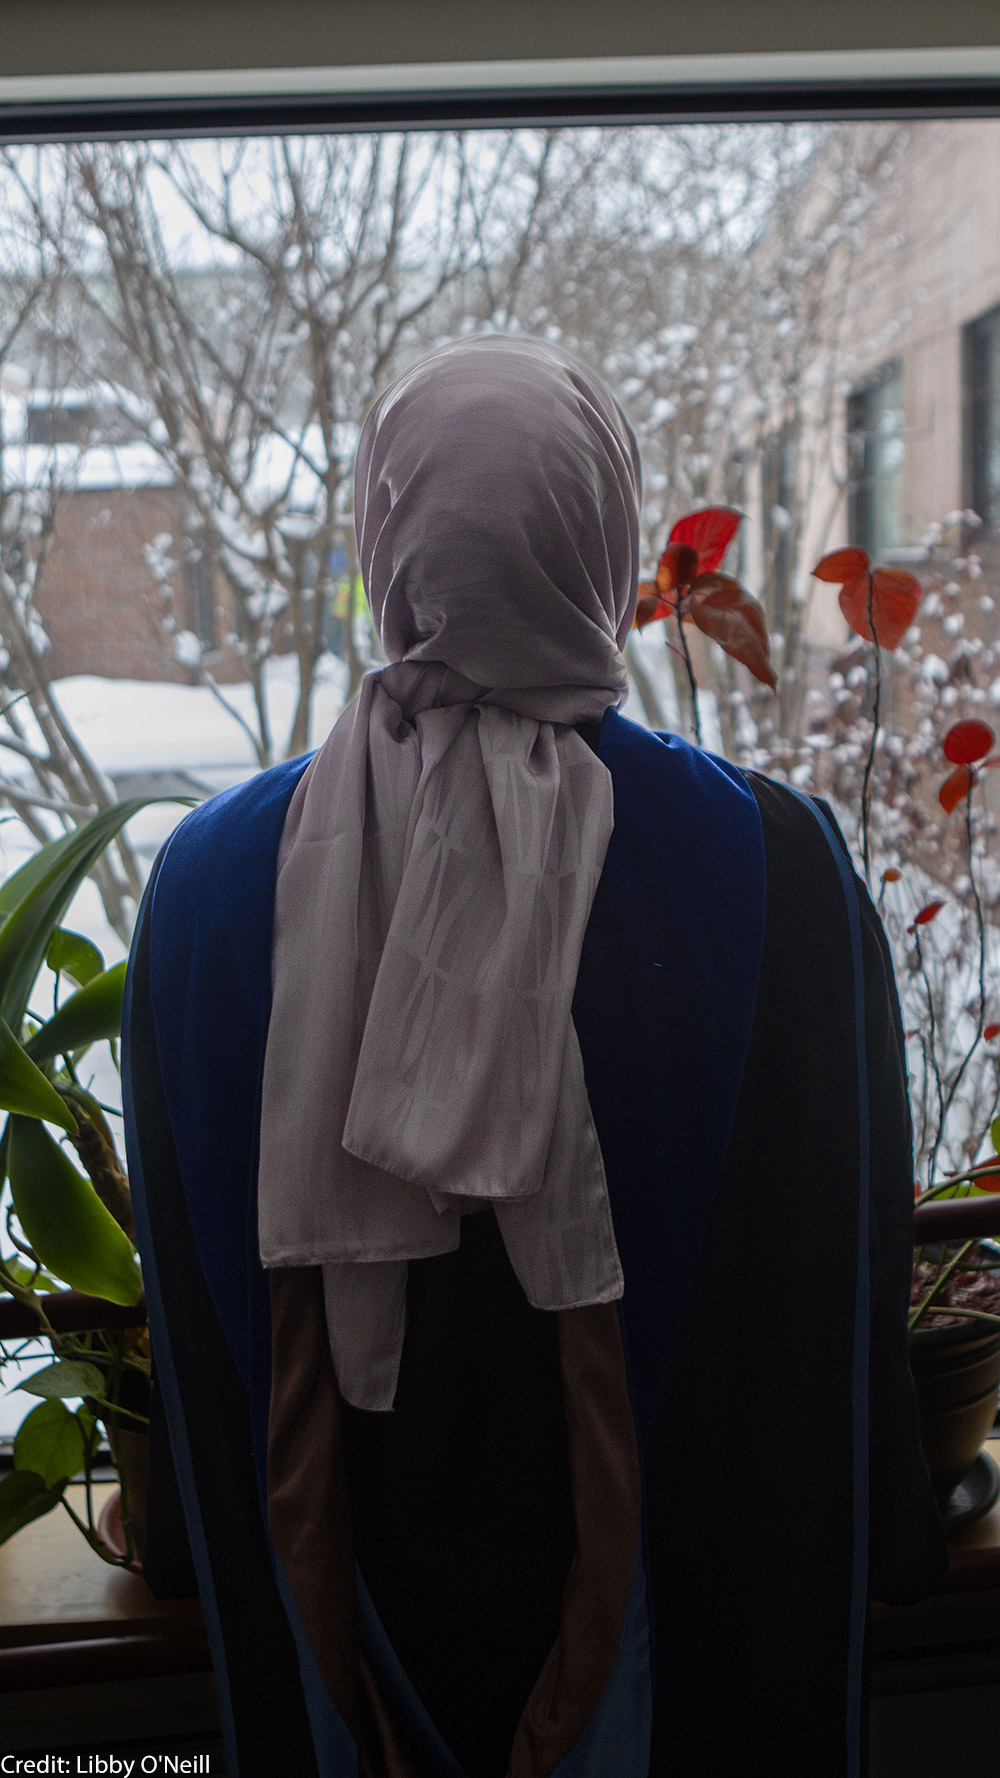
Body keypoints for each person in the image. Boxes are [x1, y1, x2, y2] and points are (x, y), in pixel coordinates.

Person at [123, 334, 947, 1778]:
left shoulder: (207, 883)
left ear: (386, 542)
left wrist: (196, 1547)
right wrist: (896, 1529)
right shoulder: (775, 866)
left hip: (336, 1573)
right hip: (699, 1613)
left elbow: (191, 1298)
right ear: (605, 539)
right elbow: (851, 1251)